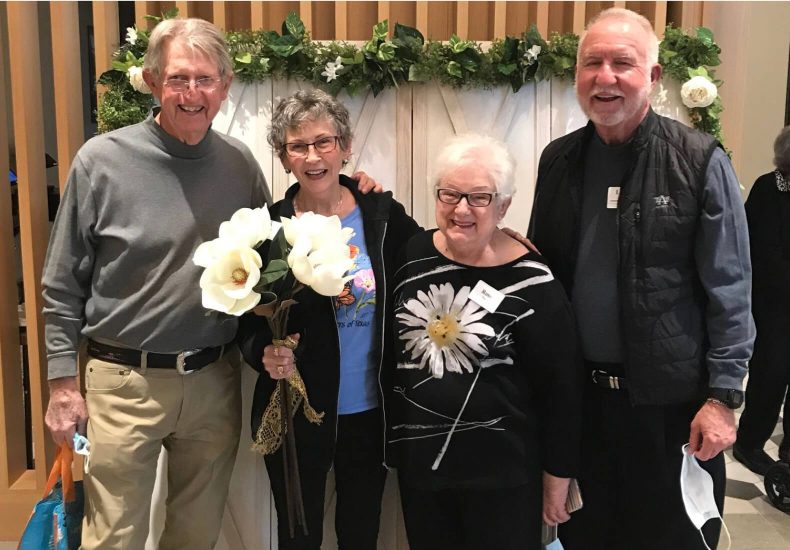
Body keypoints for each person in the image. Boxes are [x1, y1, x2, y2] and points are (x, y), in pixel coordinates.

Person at [41, 19, 378, 549]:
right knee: (113, 536)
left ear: (223, 86)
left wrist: (357, 189)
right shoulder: (100, 161)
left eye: (204, 79)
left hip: (212, 380)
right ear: (152, 81)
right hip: (123, 380)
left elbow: (278, 250)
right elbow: (61, 282)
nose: (192, 93)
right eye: (178, 78)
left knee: (197, 534)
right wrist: (62, 384)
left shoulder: (237, 164)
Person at [527, 8, 754, 550]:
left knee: (672, 539)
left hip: (671, 409)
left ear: (653, 77)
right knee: (587, 539)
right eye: (592, 63)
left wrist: (724, 397)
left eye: (622, 63)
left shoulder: (698, 160)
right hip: (583, 404)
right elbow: (539, 275)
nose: (605, 77)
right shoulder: (558, 161)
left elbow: (732, 286)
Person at [237, 89, 421, 550]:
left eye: (324, 141)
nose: (313, 156)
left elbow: (433, 259)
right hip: (298, 409)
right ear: (283, 157)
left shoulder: (381, 215)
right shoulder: (268, 228)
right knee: (299, 535)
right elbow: (243, 317)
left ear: (345, 145)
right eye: (298, 146)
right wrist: (261, 352)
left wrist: (500, 241)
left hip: (370, 410)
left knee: (361, 531)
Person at [387, 134, 583, 550]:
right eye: (450, 194)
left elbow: (563, 388)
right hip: (421, 471)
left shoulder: (534, 282)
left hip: (504, 479)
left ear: (504, 206)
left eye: (478, 197)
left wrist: (558, 476)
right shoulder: (412, 253)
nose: (461, 209)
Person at [735, 126, 790, 474]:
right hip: (773, 306)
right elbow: (762, 254)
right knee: (770, 376)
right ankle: (749, 443)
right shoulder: (769, 188)